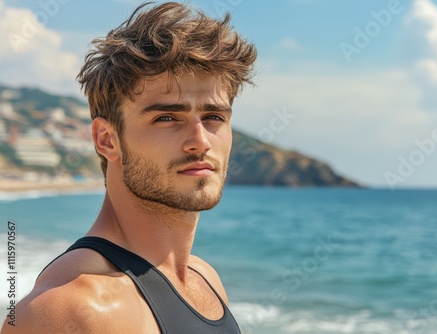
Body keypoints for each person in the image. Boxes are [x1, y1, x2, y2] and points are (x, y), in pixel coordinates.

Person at [1, 2, 256, 333]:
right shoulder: (71, 310)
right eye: (166, 118)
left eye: (214, 117)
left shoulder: (204, 279)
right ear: (107, 139)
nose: (200, 141)